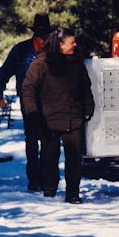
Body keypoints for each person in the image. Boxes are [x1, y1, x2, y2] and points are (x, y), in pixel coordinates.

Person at [22, 27, 94, 204]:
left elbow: (85, 87)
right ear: (60, 45)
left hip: (73, 117)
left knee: (74, 159)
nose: (75, 45)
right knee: (48, 158)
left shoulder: (77, 63)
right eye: (71, 42)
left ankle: (73, 193)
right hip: (48, 119)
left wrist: (88, 108)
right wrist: (32, 112)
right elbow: (28, 89)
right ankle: (49, 190)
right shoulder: (41, 63)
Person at [0, 14, 54, 191]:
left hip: (51, 102)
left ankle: (46, 177)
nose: (44, 36)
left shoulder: (54, 49)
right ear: (35, 32)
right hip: (28, 101)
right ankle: (34, 179)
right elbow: (4, 73)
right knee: (32, 139)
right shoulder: (21, 49)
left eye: (46, 32)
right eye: (41, 32)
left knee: (48, 140)